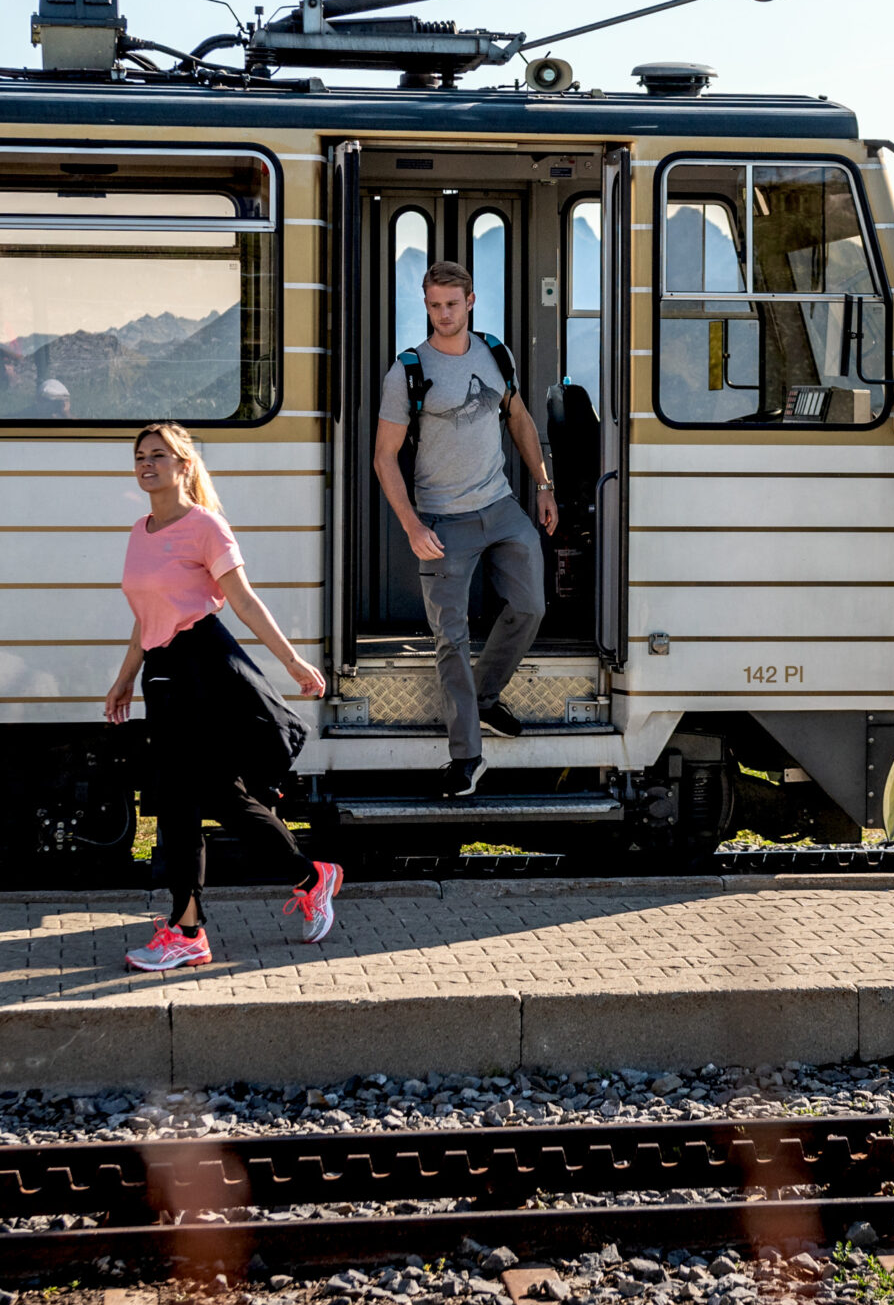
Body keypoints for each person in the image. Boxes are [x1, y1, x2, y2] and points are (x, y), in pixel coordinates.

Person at [104, 421, 340, 970]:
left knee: (179, 800)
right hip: (162, 670)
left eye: (160, 455)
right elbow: (147, 618)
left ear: (184, 465)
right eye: (141, 456)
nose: (147, 464)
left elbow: (244, 602)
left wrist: (292, 661)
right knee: (217, 794)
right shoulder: (140, 531)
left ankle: (188, 932)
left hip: (202, 667)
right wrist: (123, 678)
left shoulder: (205, 527)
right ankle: (311, 876)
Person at [372, 261, 559, 797]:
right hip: (441, 520)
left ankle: (484, 699)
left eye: (452, 304)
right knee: (450, 640)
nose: (443, 314)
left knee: (530, 607)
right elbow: (385, 458)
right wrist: (410, 525)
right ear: (426, 304)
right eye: (434, 305)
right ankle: (467, 757)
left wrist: (542, 485)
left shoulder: (496, 354)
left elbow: (519, 420)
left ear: (471, 301)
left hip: (501, 507)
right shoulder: (408, 371)